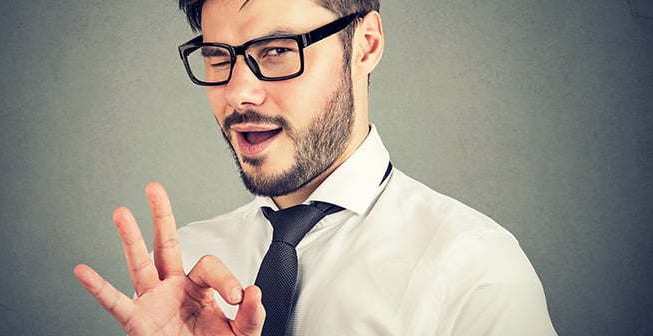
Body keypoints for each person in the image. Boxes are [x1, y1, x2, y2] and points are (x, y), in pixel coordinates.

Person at [74, 0, 557, 335]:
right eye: (218, 57)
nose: (238, 93)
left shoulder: (475, 271)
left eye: (278, 50)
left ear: (365, 45)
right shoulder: (190, 282)